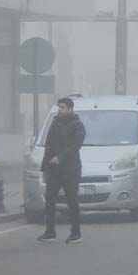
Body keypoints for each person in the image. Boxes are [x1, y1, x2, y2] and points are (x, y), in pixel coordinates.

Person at [39, 97, 86, 243]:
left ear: (70, 109)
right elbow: (48, 146)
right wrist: (45, 168)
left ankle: (76, 232)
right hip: (54, 170)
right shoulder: (55, 123)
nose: (60, 110)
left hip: (71, 169)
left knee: (72, 200)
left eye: (63, 107)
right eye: (59, 107)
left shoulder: (77, 125)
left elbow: (75, 145)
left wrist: (60, 157)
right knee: (50, 200)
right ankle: (50, 231)